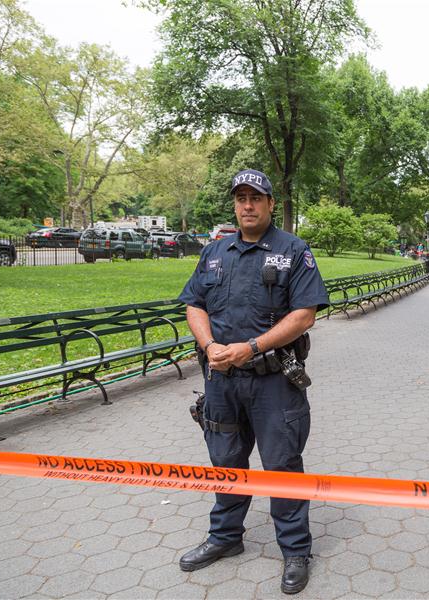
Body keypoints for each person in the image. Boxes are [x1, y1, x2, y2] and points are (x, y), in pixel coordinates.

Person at [177, 169, 329, 595]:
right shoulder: (215, 252)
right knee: (225, 460)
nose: (247, 205)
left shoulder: (293, 250)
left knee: (282, 465)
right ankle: (226, 538)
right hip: (222, 381)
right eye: (241, 197)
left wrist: (252, 347)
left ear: (269, 204)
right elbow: (193, 304)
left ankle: (296, 550)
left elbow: (304, 315)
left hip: (273, 381)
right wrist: (209, 347)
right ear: (235, 204)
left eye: (255, 198)